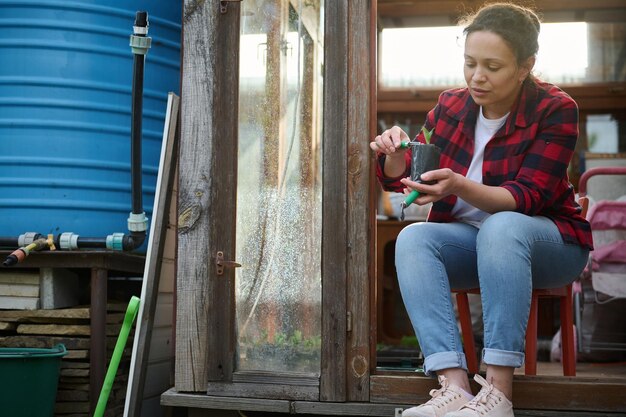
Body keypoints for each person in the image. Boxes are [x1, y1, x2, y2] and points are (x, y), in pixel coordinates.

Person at [370, 3, 593, 417]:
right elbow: (406, 175)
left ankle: (499, 392)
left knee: (503, 226)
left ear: (525, 66)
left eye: (493, 66)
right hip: (476, 248)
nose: (477, 76)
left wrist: (458, 184)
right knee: (413, 238)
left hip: (550, 246)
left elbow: (526, 197)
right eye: (470, 63)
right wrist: (396, 155)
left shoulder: (556, 109)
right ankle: (453, 385)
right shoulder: (451, 105)